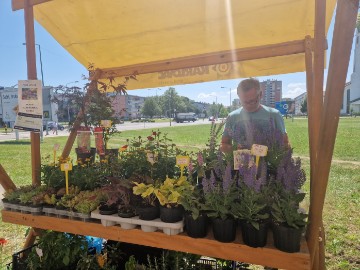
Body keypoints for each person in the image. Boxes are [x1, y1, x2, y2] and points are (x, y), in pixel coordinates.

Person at [220, 78, 289, 153]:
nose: (249, 105)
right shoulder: (232, 117)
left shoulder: (274, 115)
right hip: (241, 163)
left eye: (253, 101)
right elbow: (224, 144)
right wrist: (235, 149)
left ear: (260, 94)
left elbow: (285, 143)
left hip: (270, 164)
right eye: (244, 101)